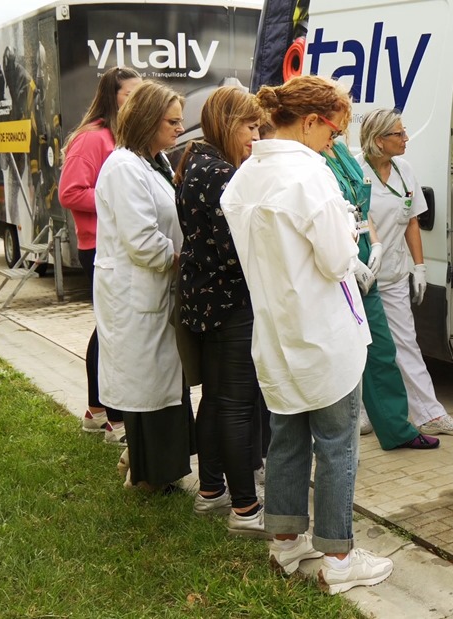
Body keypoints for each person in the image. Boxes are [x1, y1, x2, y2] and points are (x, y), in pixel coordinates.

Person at [220, 75, 393, 594]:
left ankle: (286, 542)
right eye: (333, 131)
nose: (335, 142)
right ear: (312, 121)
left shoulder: (245, 177)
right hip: (324, 334)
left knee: (287, 440)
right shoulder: (310, 177)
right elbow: (339, 258)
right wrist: (350, 229)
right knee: (338, 445)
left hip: (275, 334)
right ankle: (340, 559)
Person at [173, 85, 267, 536]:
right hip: (229, 303)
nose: (256, 135)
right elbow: (236, 253)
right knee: (235, 405)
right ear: (229, 124)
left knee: (214, 399)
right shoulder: (224, 174)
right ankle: (246, 509)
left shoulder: (196, 163)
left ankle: (211, 490)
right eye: (250, 126)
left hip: (203, 302)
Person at [93, 80, 193, 492]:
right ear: (149, 121)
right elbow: (142, 242)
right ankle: (147, 478)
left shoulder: (156, 162)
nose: (178, 129)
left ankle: (147, 465)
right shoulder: (122, 168)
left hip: (157, 293)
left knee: (161, 387)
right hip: (137, 295)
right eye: (172, 122)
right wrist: (186, 261)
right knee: (148, 390)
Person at [357, 108, 453, 437]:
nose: (406, 138)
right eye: (398, 133)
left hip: (393, 275)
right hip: (360, 279)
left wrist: (419, 267)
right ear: (379, 140)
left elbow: (411, 220)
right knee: (358, 346)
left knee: (405, 344)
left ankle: (429, 414)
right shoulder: (356, 171)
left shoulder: (404, 170)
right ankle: (362, 412)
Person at [323, 131, 440, 450]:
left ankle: (396, 428)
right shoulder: (314, 162)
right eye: (334, 124)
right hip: (337, 266)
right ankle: (353, 419)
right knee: (345, 349)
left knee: (383, 349)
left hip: (365, 266)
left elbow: (359, 208)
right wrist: (349, 254)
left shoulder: (342, 156)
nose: (340, 132)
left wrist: (371, 242)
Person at [59, 66, 142, 447]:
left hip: (117, 246)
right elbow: (70, 192)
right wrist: (117, 202)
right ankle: (110, 415)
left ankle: (96, 411)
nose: (137, 100)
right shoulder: (93, 138)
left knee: (107, 329)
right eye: (130, 94)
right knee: (112, 331)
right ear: (112, 96)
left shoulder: (120, 136)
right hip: (98, 247)